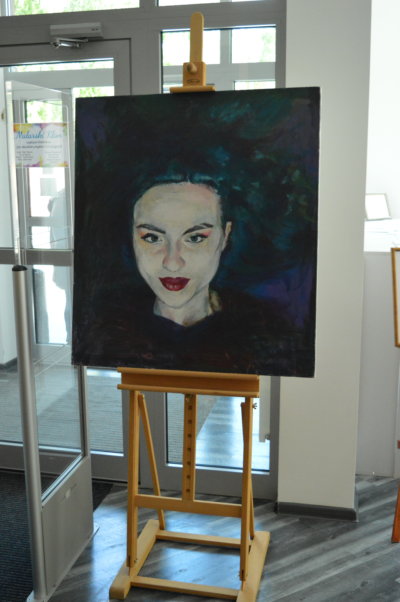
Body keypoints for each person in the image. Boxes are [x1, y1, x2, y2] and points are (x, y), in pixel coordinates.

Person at [132, 180, 232, 328]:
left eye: (195, 238)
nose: (172, 264)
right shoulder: (105, 325)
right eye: (152, 238)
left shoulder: (261, 328)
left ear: (225, 236)